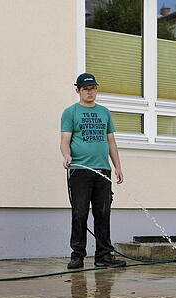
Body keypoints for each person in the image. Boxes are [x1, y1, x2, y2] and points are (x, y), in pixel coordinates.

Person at [60, 72, 126, 269]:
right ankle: (77, 256)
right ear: (78, 90)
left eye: (93, 88)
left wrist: (118, 167)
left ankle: (104, 256)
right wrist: (67, 156)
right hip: (80, 170)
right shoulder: (70, 113)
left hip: (102, 171)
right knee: (79, 213)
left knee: (103, 213)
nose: (90, 92)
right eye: (86, 89)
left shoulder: (104, 112)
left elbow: (111, 141)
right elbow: (65, 140)